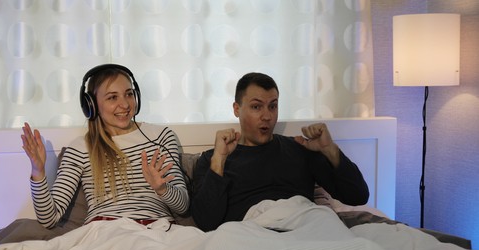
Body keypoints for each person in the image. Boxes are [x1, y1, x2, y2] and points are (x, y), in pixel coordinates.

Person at [191, 72, 369, 231]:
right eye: (256, 107)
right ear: (237, 109)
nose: (267, 116)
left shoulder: (300, 148)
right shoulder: (212, 160)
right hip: (250, 236)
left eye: (273, 106)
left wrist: (330, 150)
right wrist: (219, 161)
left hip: (306, 227)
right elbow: (207, 222)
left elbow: (358, 196)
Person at [20, 64, 189, 229]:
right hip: (104, 234)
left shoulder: (161, 136)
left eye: (129, 94)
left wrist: (162, 188)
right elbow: (49, 218)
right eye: (112, 97)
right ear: (91, 105)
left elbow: (183, 206)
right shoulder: (80, 148)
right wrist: (38, 171)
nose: (125, 104)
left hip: (156, 232)